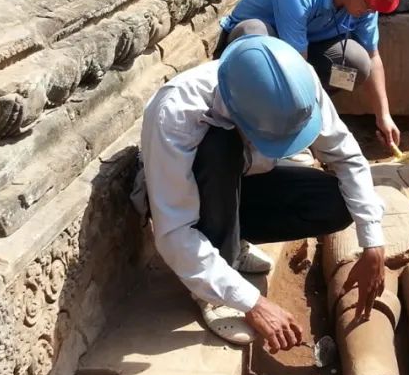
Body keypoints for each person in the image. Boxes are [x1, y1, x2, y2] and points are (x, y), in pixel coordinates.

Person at [140, 35, 386, 351]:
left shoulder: (297, 82)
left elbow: (346, 154)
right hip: (193, 193)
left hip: (244, 181)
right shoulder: (176, 113)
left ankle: (232, 238)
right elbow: (173, 232)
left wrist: (373, 243)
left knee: (335, 204)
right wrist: (252, 302)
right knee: (218, 145)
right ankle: (213, 286)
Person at [215, 0, 408, 149]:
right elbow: (297, 69)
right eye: (369, 4)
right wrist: (324, 135)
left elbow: (373, 57)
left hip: (305, 47)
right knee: (255, 35)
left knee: (357, 65)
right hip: (256, 48)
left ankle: (295, 116)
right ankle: (257, 125)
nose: (372, 10)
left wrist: (383, 116)